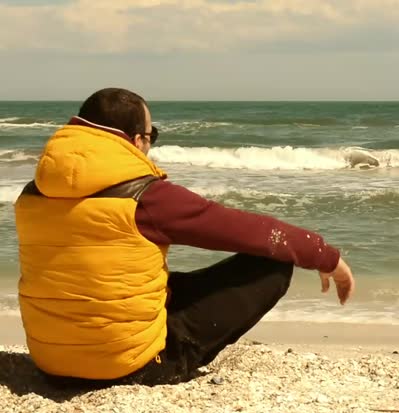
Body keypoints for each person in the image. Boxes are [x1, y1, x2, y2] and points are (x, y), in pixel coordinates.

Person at [14, 87, 354, 387]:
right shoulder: (144, 197)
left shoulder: (33, 193)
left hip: (50, 364)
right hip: (127, 368)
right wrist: (325, 256)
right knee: (273, 265)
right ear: (136, 141)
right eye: (152, 135)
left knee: (125, 281)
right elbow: (247, 231)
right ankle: (175, 362)